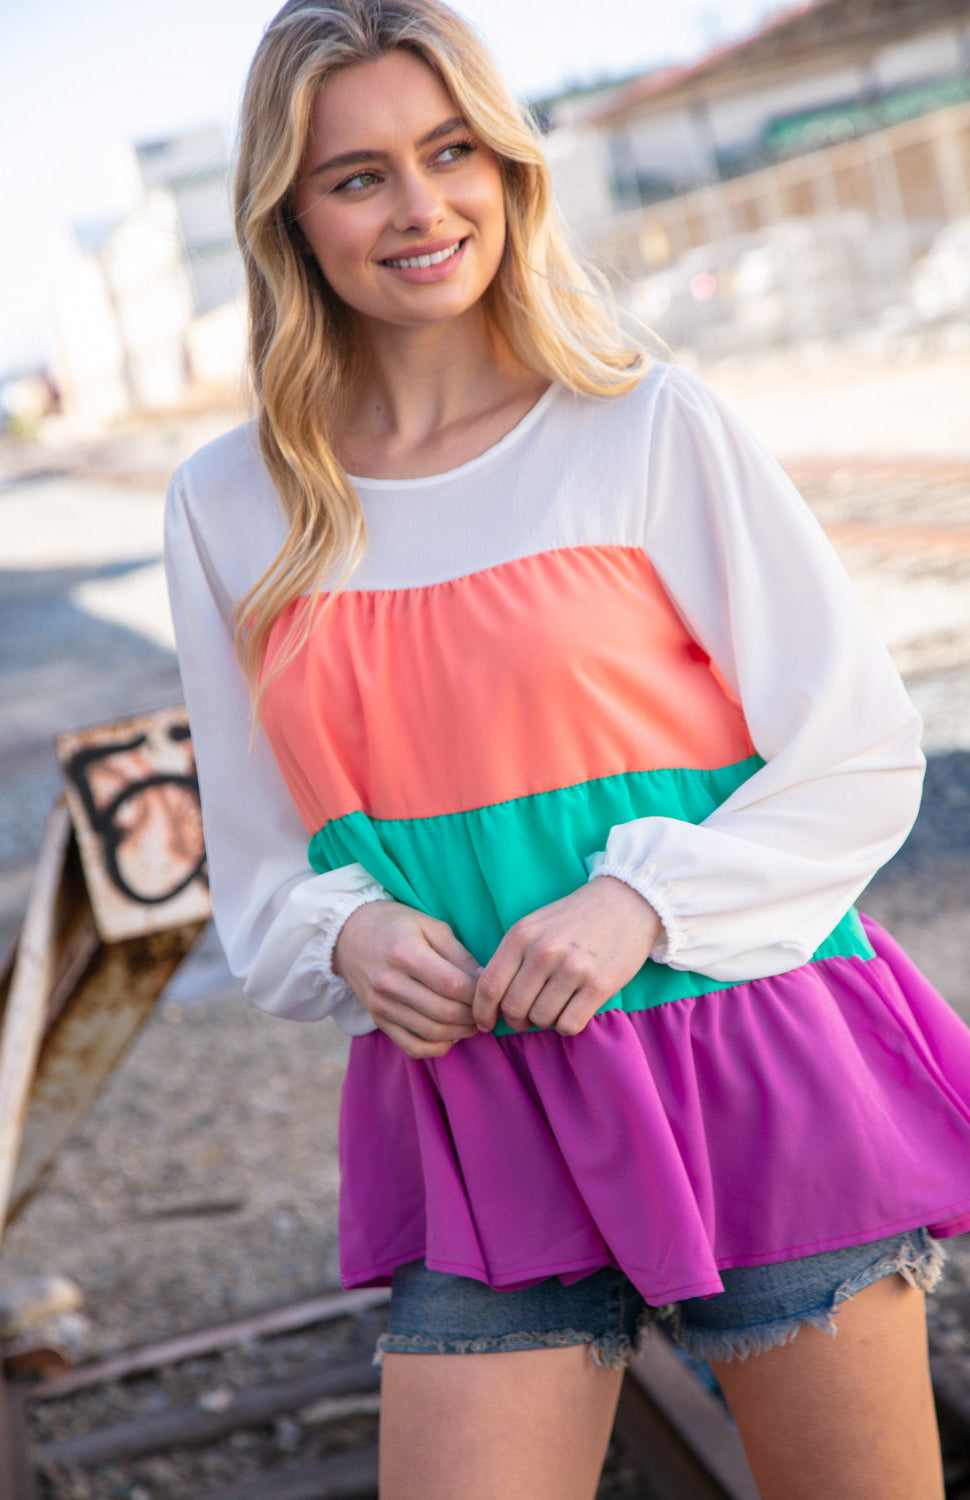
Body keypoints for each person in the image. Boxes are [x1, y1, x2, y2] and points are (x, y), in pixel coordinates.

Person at [164, 1, 970, 1494]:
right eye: (359, 176)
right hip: (475, 1107)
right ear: (288, 213)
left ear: (507, 168)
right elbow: (263, 865)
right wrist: (343, 935)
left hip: (744, 1058)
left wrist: (639, 902)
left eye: (450, 151)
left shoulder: (646, 424)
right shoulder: (230, 505)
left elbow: (857, 750)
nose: (421, 208)